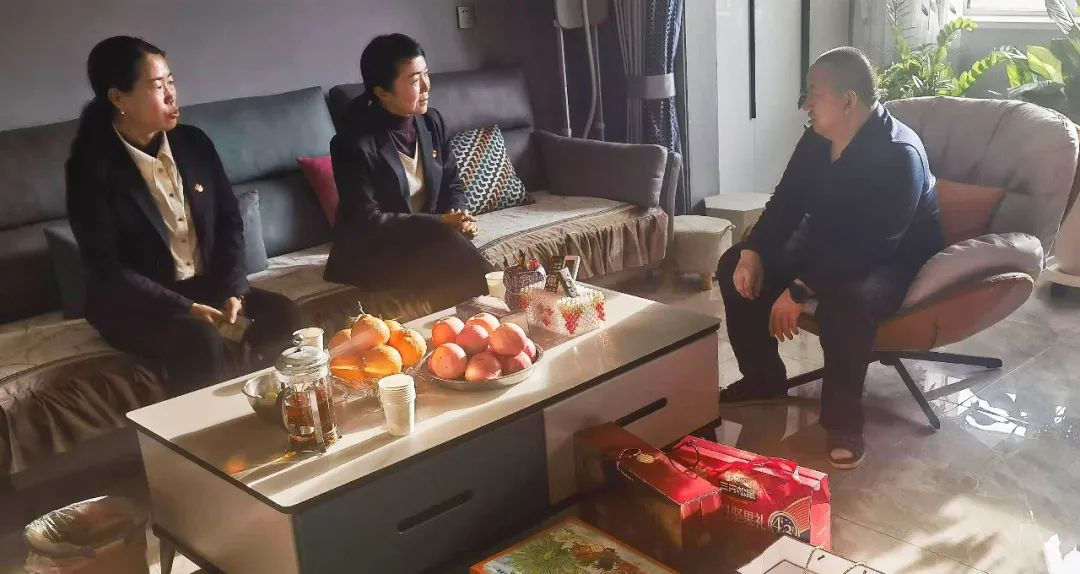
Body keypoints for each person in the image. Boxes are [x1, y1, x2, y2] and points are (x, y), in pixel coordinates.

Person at [715, 47, 944, 469]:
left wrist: (799, 290)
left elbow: (873, 247)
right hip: (828, 239)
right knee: (733, 266)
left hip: (889, 257)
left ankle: (844, 423)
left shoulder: (898, 154)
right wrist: (753, 250)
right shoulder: (817, 138)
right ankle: (764, 379)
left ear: (848, 100)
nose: (806, 103)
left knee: (848, 304)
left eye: (813, 93)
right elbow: (786, 202)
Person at [66, 36, 301, 395]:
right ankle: (219, 427)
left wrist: (234, 290)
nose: (171, 96)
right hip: (137, 303)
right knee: (199, 339)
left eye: (171, 81)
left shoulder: (194, 144)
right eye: (157, 86)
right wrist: (187, 307)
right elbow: (107, 269)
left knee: (283, 314)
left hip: (204, 286)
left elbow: (229, 223)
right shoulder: (91, 168)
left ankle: (278, 403)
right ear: (118, 98)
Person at [324, 33, 491, 297]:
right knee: (450, 252)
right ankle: (503, 299)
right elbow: (367, 221)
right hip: (373, 252)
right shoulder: (352, 144)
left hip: (423, 241)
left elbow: (452, 184)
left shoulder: (432, 122)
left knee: (450, 249)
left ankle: (493, 307)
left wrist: (459, 217)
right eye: (414, 80)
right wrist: (440, 222)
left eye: (426, 74)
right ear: (381, 92)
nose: (426, 86)